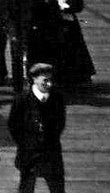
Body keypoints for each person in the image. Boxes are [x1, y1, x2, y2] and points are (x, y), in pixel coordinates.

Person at [35, 0, 95, 85]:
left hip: (66, 22)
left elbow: (78, 5)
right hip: (49, 22)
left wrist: (65, 8)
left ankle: (76, 78)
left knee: (72, 50)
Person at [8, 63, 66, 193]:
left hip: (51, 151)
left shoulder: (57, 98)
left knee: (57, 186)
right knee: (26, 186)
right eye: (45, 80)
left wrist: (50, 137)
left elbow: (60, 122)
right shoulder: (22, 99)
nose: (49, 84)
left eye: (51, 80)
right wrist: (24, 142)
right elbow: (13, 124)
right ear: (34, 79)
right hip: (29, 152)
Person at [11, 0, 62, 79]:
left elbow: (54, 13)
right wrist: (14, 32)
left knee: (43, 61)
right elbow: (13, 13)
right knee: (25, 61)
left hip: (43, 34)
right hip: (25, 33)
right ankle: (25, 85)